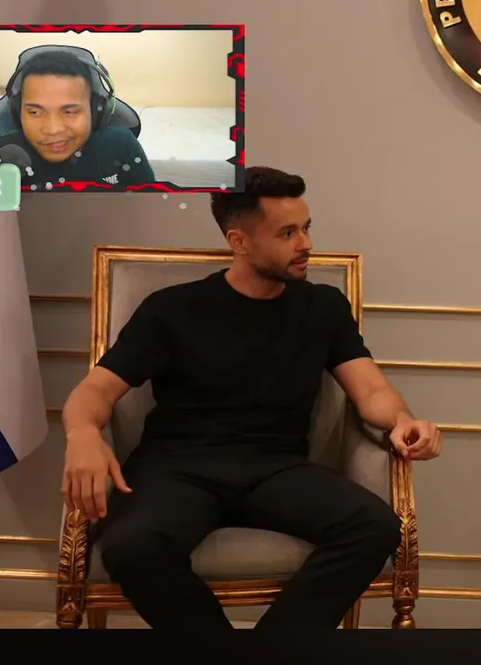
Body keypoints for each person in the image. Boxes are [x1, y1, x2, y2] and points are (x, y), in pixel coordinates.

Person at [59, 166, 442, 631]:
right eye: (287, 233)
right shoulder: (172, 308)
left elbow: (372, 390)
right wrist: (82, 433)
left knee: (376, 526)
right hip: (176, 467)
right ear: (239, 242)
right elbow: (96, 389)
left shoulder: (322, 306)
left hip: (275, 467)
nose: (306, 244)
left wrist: (402, 420)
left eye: (306, 228)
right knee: (131, 547)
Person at [0, 49, 156, 188]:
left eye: (69, 112)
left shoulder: (121, 146)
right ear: (17, 111)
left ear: (95, 110)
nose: (53, 129)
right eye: (35, 112)